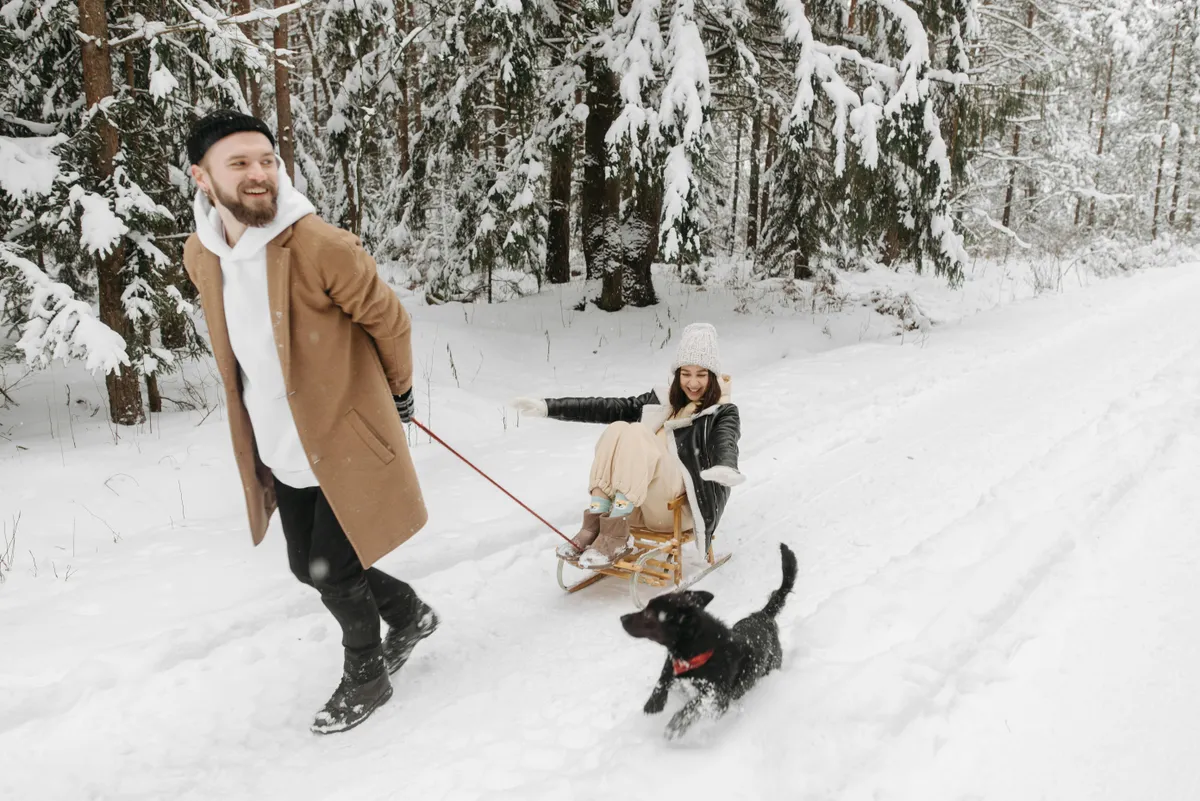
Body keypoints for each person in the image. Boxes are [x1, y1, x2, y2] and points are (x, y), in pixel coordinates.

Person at [182, 110, 437, 735]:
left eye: (266, 160)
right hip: (280, 442)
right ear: (202, 177)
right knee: (307, 565)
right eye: (239, 163)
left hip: (346, 437)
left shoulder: (320, 245)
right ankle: (410, 613)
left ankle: (367, 673)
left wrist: (400, 393)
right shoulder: (201, 254)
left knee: (332, 566)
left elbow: (389, 322)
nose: (259, 174)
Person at [511, 323, 745, 568]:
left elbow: (726, 440)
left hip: (678, 510)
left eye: (701, 374)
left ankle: (616, 536)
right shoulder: (662, 402)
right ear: (677, 375)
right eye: (686, 374)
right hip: (638, 506)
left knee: (636, 432)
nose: (693, 383)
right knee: (618, 427)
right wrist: (548, 407)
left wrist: (726, 466)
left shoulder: (721, 412)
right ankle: (596, 521)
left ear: (713, 376)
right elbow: (606, 407)